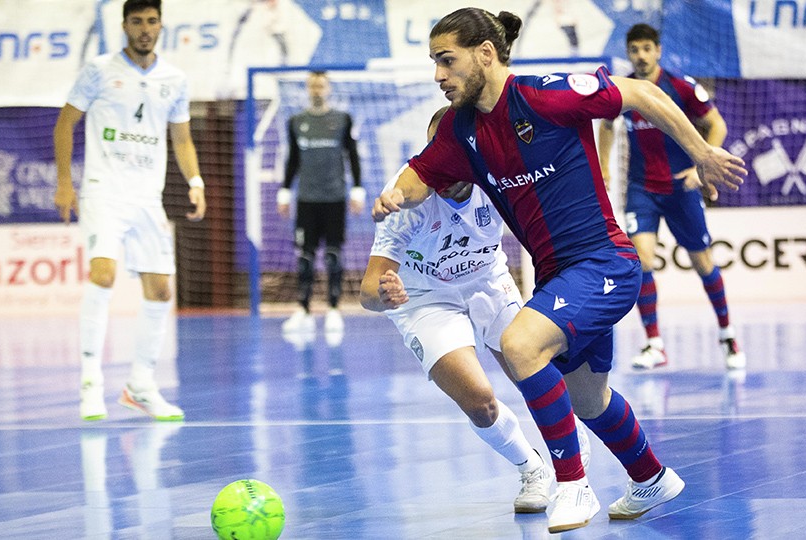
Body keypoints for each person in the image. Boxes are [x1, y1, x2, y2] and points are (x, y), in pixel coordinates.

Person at [372, 8, 745, 533]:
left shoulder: (546, 94)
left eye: (446, 61)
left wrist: (701, 150)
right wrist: (393, 197)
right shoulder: (460, 129)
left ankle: (571, 485)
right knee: (588, 400)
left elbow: (640, 94)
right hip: (558, 276)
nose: (438, 75)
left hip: (604, 262)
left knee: (522, 343)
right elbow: (419, 173)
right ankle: (651, 476)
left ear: (484, 54)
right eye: (434, 62)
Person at [361, 106, 590, 514]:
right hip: (425, 298)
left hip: (487, 278)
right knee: (481, 402)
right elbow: (367, 293)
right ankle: (531, 467)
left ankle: (570, 451)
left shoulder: (497, 177)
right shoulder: (406, 195)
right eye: (433, 152)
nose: (439, 164)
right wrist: (384, 294)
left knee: (532, 371)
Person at [53, 0, 206, 422]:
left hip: (146, 197)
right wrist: (65, 182)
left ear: (160, 26)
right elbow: (65, 124)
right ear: (124, 26)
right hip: (104, 191)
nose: (145, 29)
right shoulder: (99, 70)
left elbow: (182, 140)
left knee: (160, 291)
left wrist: (196, 182)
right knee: (103, 274)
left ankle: (140, 385)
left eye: (152, 21)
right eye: (137, 21)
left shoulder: (174, 79)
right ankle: (89, 383)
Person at [598, 23, 746, 371]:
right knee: (642, 262)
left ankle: (727, 335)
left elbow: (717, 125)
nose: (641, 55)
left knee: (703, 264)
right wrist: (603, 166)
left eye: (647, 48)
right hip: (641, 189)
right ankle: (654, 344)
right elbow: (606, 126)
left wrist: (702, 165)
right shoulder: (623, 89)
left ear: (658, 50)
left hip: (682, 188)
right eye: (634, 49)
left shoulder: (680, 86)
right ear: (629, 53)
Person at [277, 71, 364, 334]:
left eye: (321, 85)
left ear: (328, 88)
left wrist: (357, 189)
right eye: (312, 85)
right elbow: (292, 159)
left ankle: (334, 310)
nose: (316, 90)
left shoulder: (341, 120)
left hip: (334, 198)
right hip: (306, 199)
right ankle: (303, 309)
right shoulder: (296, 121)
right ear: (307, 88)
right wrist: (284, 191)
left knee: (333, 255)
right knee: (304, 256)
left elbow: (353, 155)